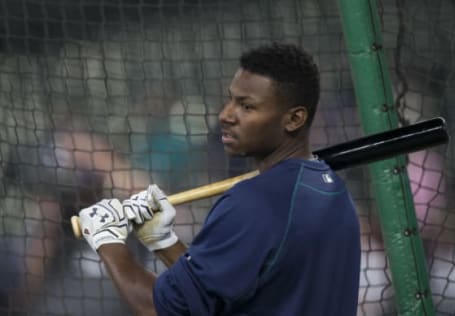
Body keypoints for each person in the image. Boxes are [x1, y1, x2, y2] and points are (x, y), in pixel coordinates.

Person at [77, 42, 361, 316]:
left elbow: (162, 308)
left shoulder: (254, 201)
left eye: (246, 106)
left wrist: (107, 240)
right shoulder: (333, 189)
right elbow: (216, 295)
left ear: (294, 119)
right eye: (230, 100)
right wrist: (163, 240)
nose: (226, 115)